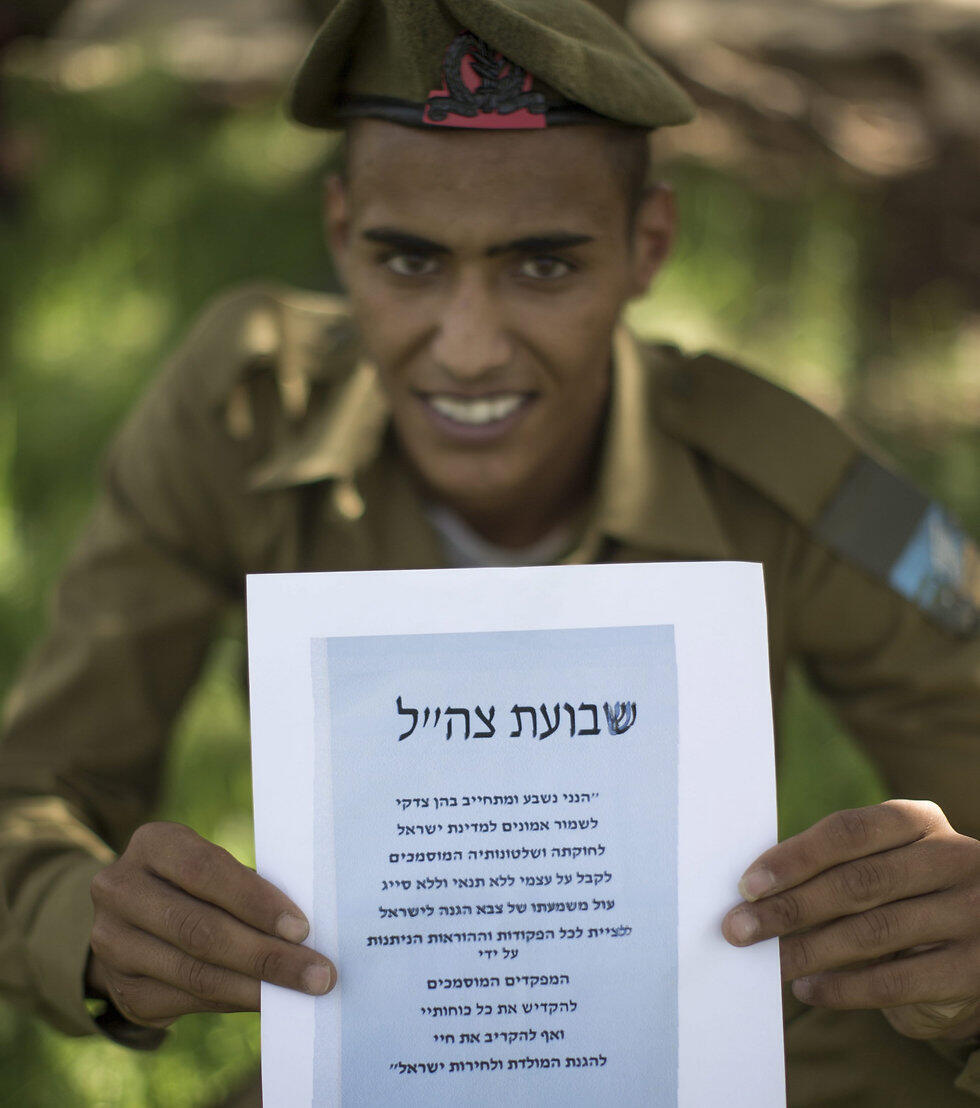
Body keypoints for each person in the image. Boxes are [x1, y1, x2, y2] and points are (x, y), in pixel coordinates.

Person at [1, 0, 977, 1103]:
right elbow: (31, 795)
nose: (465, 348)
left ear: (644, 246)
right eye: (408, 262)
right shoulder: (241, 413)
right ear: (337, 235)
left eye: (542, 268)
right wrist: (97, 927)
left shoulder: (777, 480)